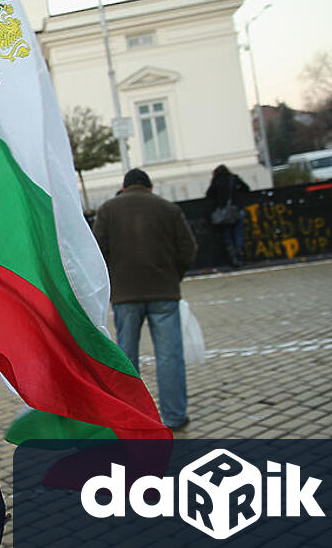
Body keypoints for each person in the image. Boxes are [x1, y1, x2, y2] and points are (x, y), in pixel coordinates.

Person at [94, 169, 197, 431]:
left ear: (124, 187)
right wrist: (174, 276)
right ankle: (174, 416)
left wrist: (113, 282)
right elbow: (188, 249)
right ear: (149, 187)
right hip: (164, 292)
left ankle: (130, 417)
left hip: (125, 295)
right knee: (169, 357)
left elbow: (97, 252)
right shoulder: (168, 209)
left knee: (126, 359)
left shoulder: (108, 209)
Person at [205, 164, 251, 267]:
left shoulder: (216, 181)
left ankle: (232, 256)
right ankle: (239, 251)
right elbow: (246, 188)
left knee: (227, 234)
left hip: (223, 212)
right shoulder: (234, 179)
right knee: (238, 232)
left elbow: (209, 194)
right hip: (236, 209)